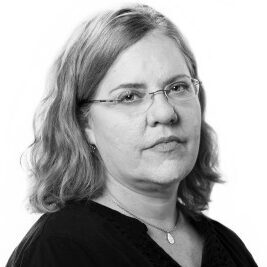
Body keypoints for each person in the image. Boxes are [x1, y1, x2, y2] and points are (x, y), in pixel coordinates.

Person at [6, 3, 257, 267]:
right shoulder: (58, 251)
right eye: (129, 96)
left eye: (177, 87)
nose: (165, 112)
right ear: (83, 125)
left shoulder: (228, 246)